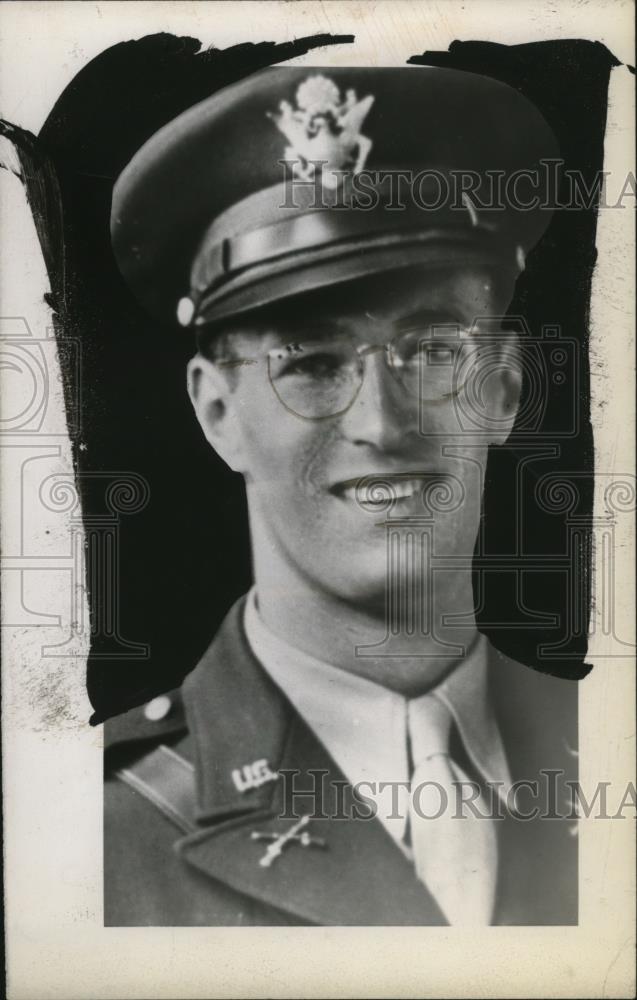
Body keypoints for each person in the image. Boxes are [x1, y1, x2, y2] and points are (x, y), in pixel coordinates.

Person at [104, 65, 578, 926]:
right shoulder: (80, 839)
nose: (381, 423)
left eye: (432, 351)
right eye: (311, 365)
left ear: (504, 389)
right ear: (218, 413)